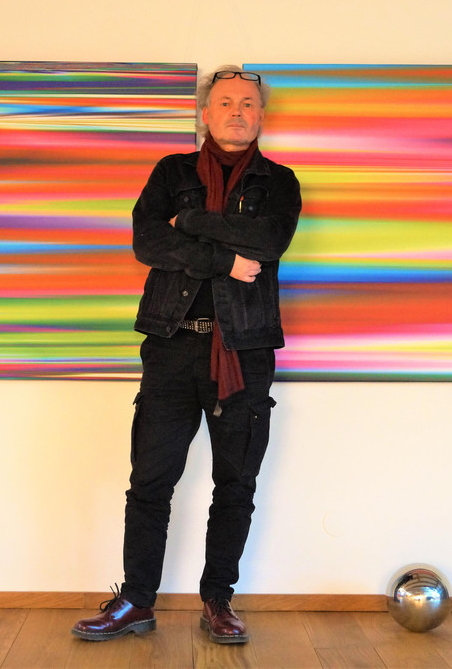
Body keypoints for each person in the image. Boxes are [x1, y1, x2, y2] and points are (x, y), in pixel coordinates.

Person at [71, 65, 302, 644]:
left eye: (247, 103)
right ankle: (136, 601)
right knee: (150, 481)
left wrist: (192, 222)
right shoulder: (171, 172)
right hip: (172, 346)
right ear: (205, 114)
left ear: (261, 116)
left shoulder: (279, 181)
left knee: (236, 484)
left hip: (244, 351)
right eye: (225, 102)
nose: (236, 112)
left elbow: (269, 241)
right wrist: (223, 260)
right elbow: (148, 240)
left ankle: (218, 601)